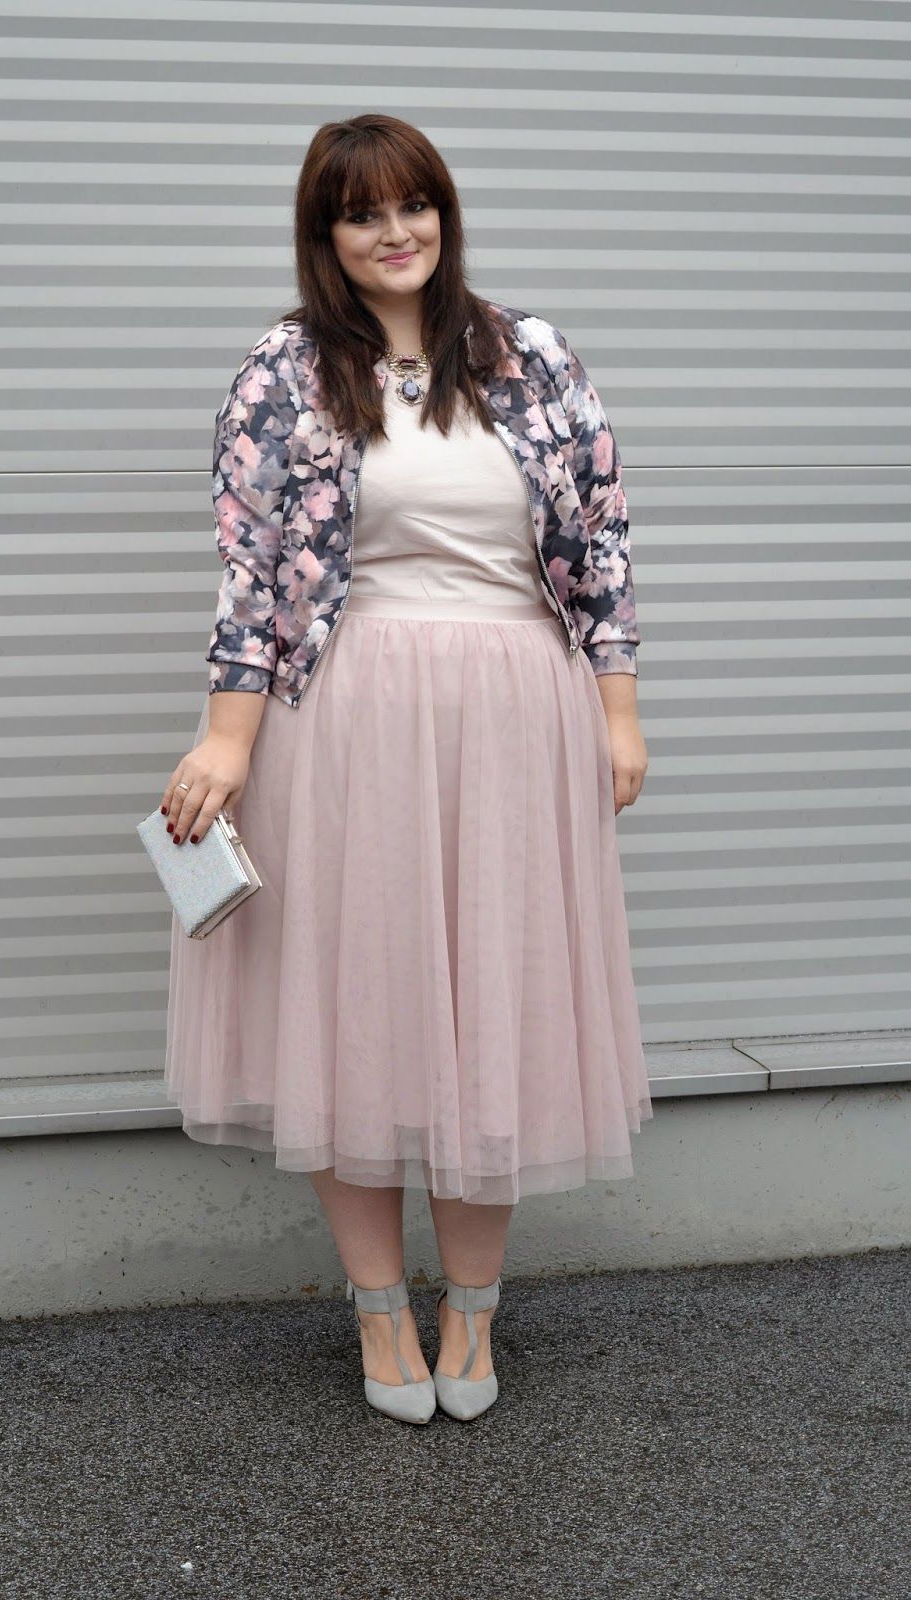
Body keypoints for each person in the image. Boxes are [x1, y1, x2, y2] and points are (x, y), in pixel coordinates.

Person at [159, 113, 653, 1425]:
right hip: (348, 719)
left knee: (494, 1006)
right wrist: (226, 736)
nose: (395, 233)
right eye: (362, 213)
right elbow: (252, 569)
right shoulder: (286, 370)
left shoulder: (529, 355)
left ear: (443, 212)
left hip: (515, 713)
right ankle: (380, 1312)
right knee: (357, 1014)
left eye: (413, 204)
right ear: (325, 236)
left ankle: (471, 1316)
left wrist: (617, 712)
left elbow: (601, 542)